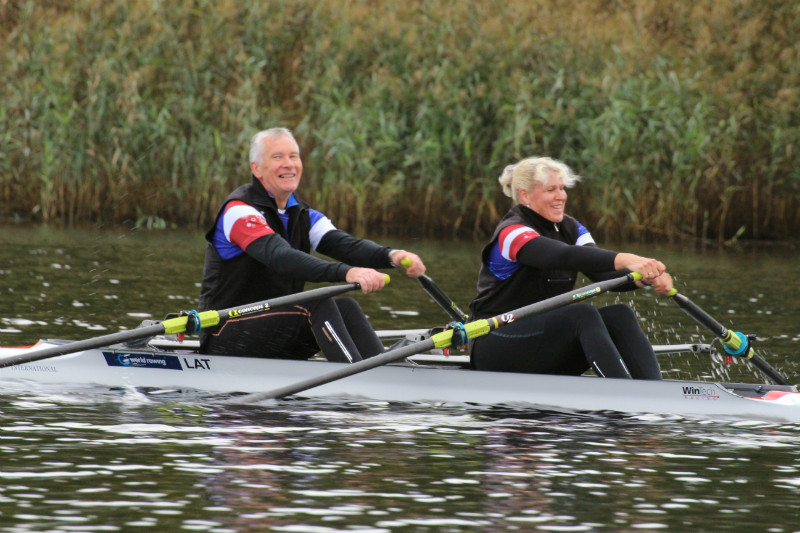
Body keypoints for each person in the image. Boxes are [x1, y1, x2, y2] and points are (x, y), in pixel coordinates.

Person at [198, 127, 426, 362]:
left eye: (293, 156)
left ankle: (381, 368)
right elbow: (280, 257)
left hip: (271, 328)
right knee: (317, 303)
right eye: (277, 157)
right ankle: (356, 373)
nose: (288, 164)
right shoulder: (239, 212)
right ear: (256, 168)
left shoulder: (303, 215)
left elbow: (346, 246)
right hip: (226, 333)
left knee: (346, 307)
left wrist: (392, 255)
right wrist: (347, 272)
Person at [469, 156, 673, 380]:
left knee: (620, 315)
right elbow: (562, 256)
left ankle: (654, 390)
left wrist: (645, 277)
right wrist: (627, 258)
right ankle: (621, 391)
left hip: (541, 342)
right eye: (550, 190)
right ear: (525, 195)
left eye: (562, 188)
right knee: (582, 315)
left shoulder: (572, 228)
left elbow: (604, 274)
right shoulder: (511, 233)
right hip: (495, 342)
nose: (561, 196)